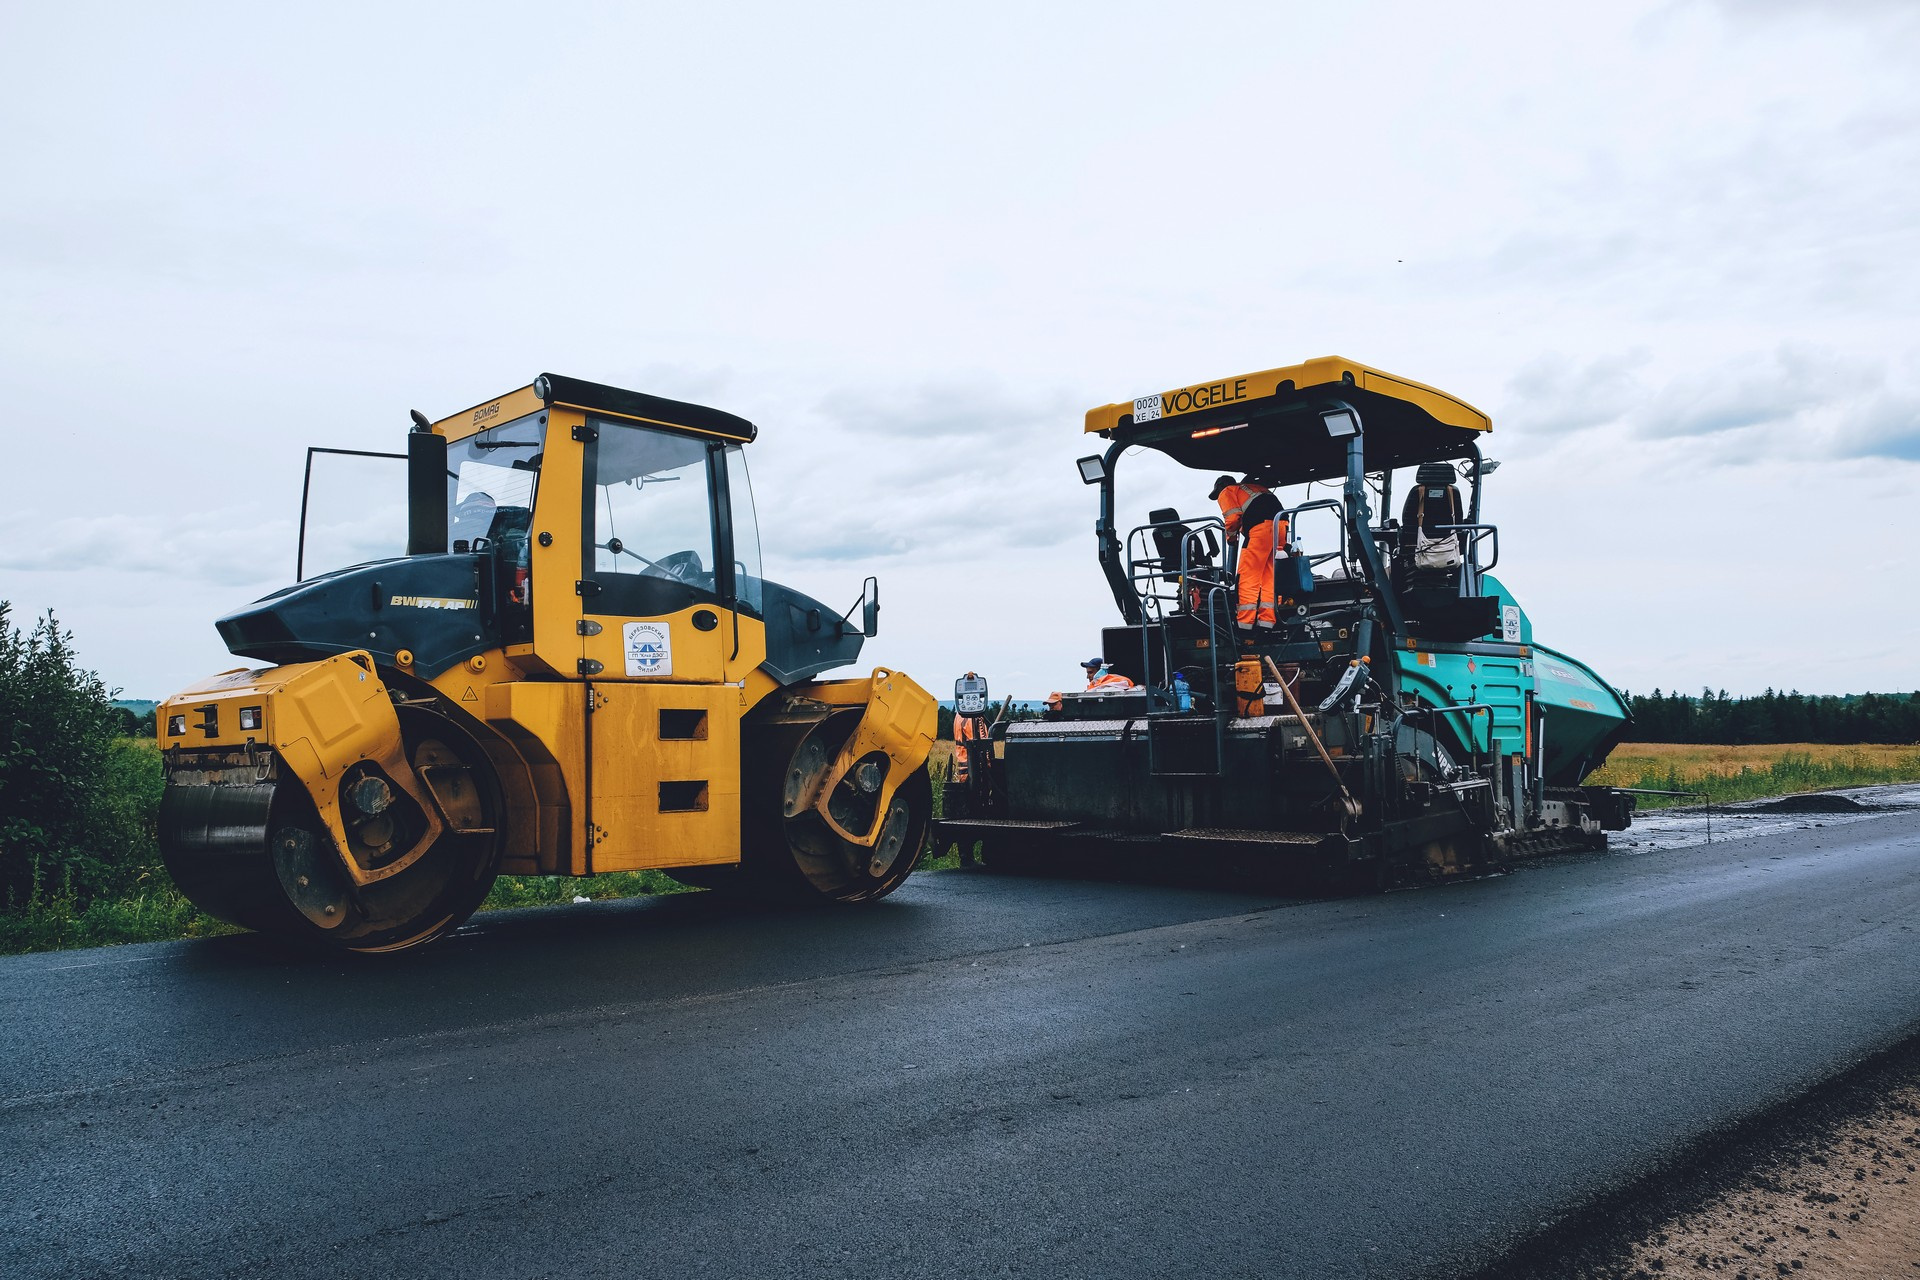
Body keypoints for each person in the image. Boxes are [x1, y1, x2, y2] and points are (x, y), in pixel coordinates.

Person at [1210, 474, 1287, 627]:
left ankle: (1245, 623)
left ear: (1220, 487)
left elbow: (1232, 518)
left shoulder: (1227, 491)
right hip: (1282, 525)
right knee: (1269, 575)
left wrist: (1231, 538)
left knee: (1248, 576)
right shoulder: (1253, 488)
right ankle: (1267, 621)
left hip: (1261, 529)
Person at [1046, 659, 1135, 711]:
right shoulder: (1096, 688)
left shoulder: (1115, 686)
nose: (1088, 677)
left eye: (1090, 672)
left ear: (1101, 671)